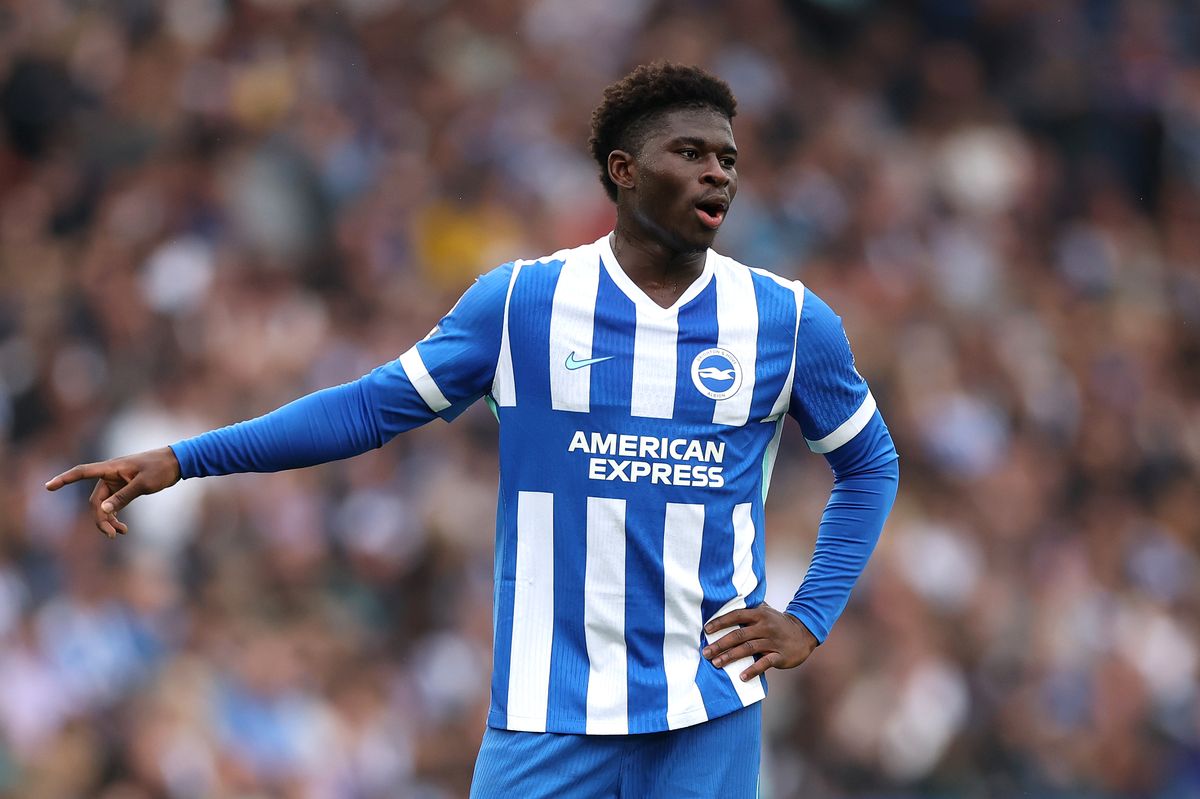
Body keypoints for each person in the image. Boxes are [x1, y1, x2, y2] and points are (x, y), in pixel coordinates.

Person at [47, 63, 898, 798]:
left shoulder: (787, 320)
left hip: (707, 709)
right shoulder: (523, 303)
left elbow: (870, 464)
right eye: (692, 153)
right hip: (545, 709)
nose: (719, 174)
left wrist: (810, 616)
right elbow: (368, 408)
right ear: (624, 169)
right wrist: (186, 456)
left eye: (728, 159)